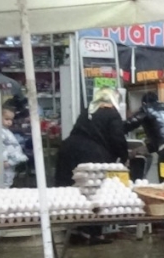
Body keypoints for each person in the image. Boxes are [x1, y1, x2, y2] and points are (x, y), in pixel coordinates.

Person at [55, 87, 129, 244]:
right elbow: (117, 139)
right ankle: (93, 233)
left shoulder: (88, 110)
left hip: (69, 148)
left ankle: (74, 230)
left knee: (72, 190)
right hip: (91, 153)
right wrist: (124, 157)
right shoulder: (112, 113)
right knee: (95, 193)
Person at [0, 106, 28, 188]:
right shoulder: (0, 131)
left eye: (11, 120)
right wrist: (4, 160)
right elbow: (1, 146)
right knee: (6, 178)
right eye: (6, 119)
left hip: (11, 160)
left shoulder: (6, 130)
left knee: (9, 177)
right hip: (7, 161)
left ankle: (6, 188)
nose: (9, 122)